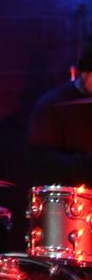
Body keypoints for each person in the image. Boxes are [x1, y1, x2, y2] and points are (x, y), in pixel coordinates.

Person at [27, 43, 92, 186]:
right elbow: (42, 164)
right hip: (70, 194)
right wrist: (86, 166)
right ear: (84, 72)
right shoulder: (52, 105)